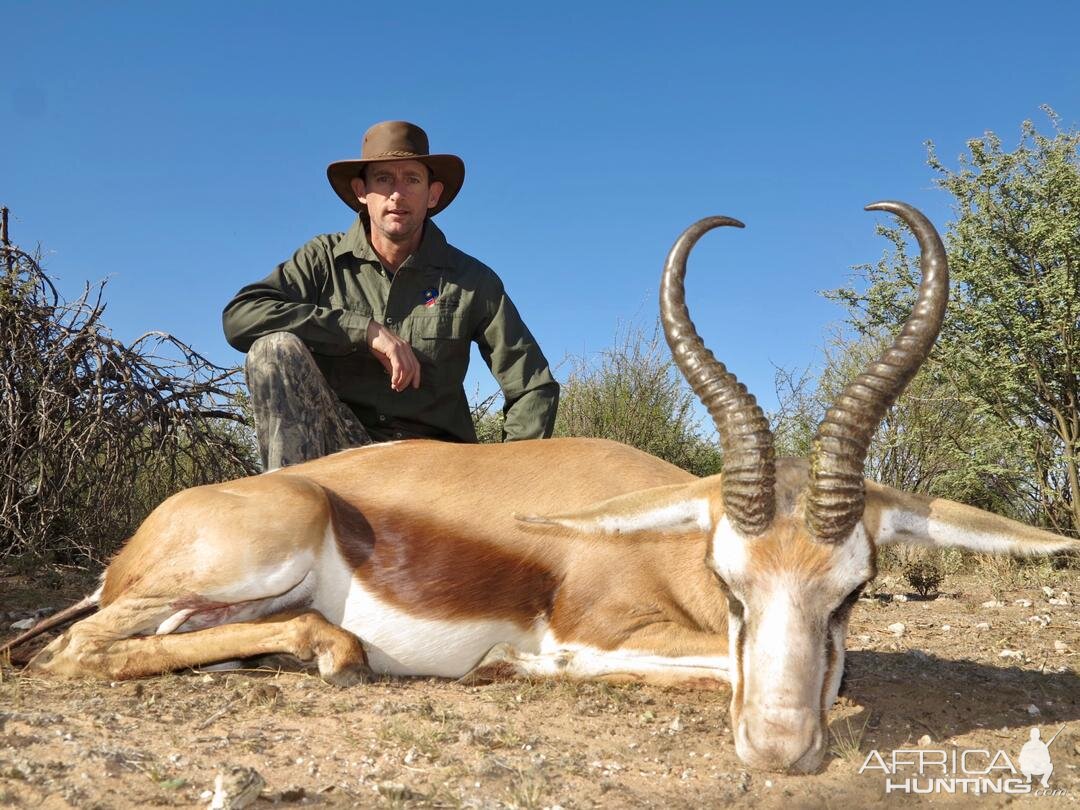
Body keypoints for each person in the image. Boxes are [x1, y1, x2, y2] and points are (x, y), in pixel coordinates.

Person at [223, 121, 559, 469]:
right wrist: (364, 331)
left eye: (412, 179)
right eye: (383, 179)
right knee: (273, 349)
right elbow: (241, 317)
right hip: (341, 454)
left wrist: (508, 472)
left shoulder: (474, 279)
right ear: (361, 191)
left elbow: (533, 386)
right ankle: (292, 508)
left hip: (439, 463)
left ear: (432, 194)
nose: (397, 194)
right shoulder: (320, 258)